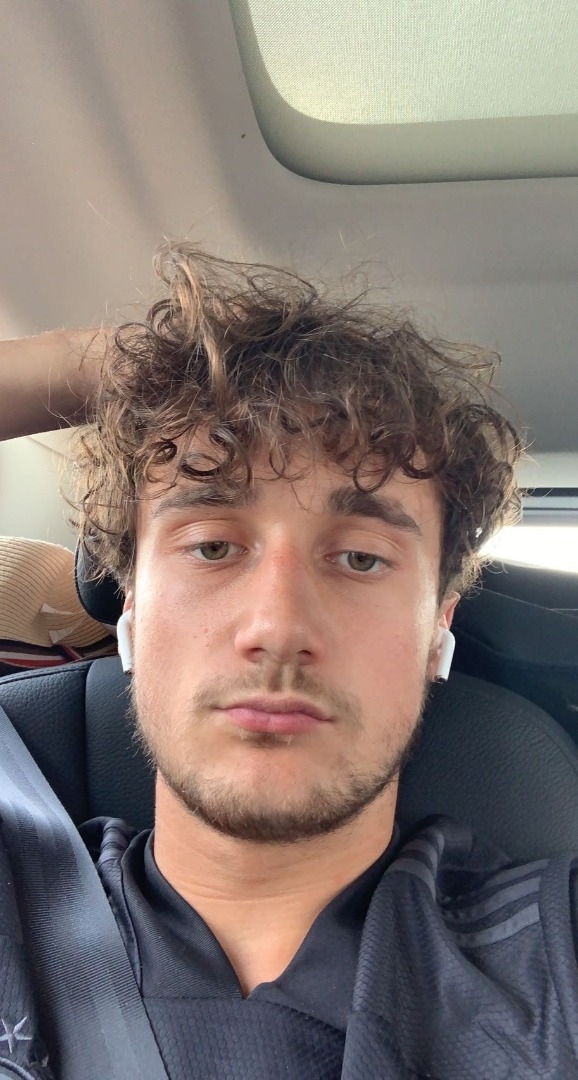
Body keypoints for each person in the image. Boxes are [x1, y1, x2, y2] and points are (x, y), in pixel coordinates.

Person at [0, 243, 576, 1079]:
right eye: (211, 546)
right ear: (131, 607)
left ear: (438, 629)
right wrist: (130, 366)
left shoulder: (551, 955)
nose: (276, 627)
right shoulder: (17, 899)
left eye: (361, 558)